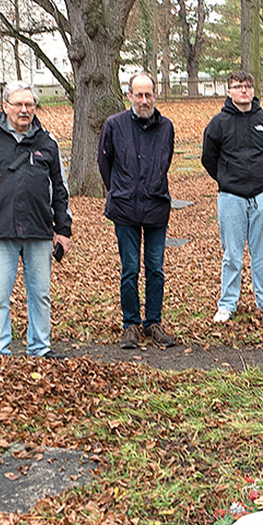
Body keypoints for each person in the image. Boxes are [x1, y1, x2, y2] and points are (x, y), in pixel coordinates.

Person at [0, 81, 73, 358]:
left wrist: (63, 229)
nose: (24, 110)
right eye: (18, 104)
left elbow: (60, 188)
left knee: (41, 295)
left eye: (29, 105)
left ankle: (40, 348)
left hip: (38, 229)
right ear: (5, 106)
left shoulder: (48, 141)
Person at [201, 70, 263, 322]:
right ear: (229, 91)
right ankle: (227, 304)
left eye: (248, 86)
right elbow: (209, 158)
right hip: (231, 196)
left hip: (261, 195)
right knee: (232, 254)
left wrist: (259, 176)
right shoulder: (218, 123)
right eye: (239, 86)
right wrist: (226, 178)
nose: (244, 90)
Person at [98, 72, 176, 349]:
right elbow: (104, 164)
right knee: (129, 269)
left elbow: (165, 160)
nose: (144, 100)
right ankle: (130, 324)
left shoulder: (166, 127)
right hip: (125, 207)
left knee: (155, 268)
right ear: (128, 96)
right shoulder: (114, 125)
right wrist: (120, 190)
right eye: (138, 95)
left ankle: (153, 322)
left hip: (156, 206)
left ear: (155, 95)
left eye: (148, 94)